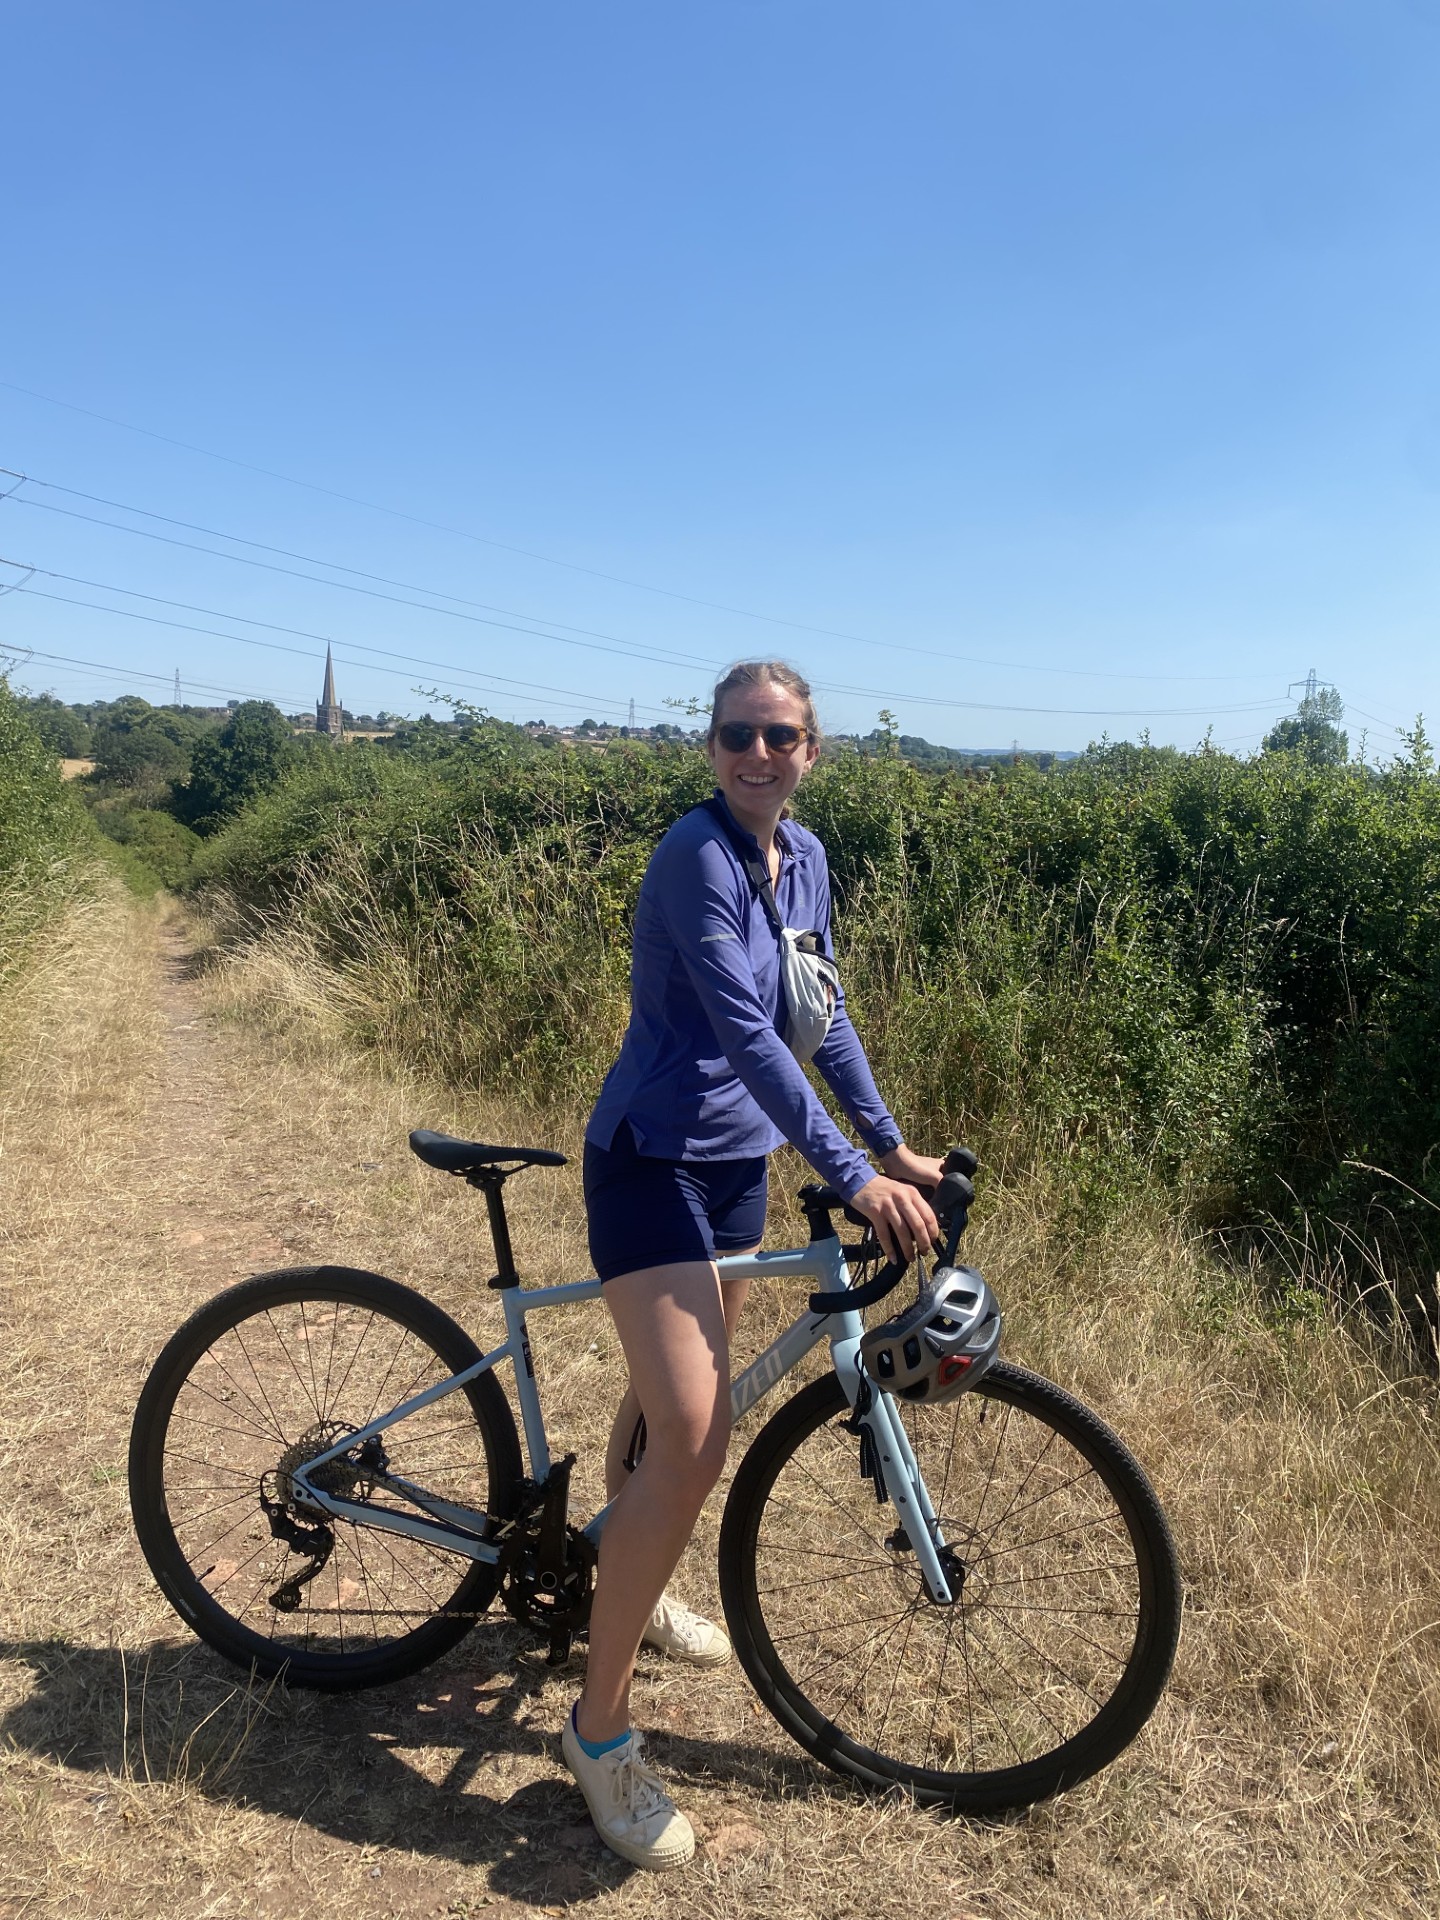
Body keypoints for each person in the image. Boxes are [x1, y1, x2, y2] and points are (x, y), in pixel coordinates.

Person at [563, 660, 943, 1870]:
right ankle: (599, 1732)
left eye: (781, 736)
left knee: (674, 1416)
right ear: (712, 745)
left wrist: (890, 1144)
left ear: (811, 752)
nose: (758, 753)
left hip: (734, 1169)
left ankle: (626, 1572)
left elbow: (821, 1016)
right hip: (651, 1163)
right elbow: (742, 1030)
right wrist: (852, 1176)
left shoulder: (807, 857)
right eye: (739, 733)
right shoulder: (696, 856)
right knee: (694, 1436)